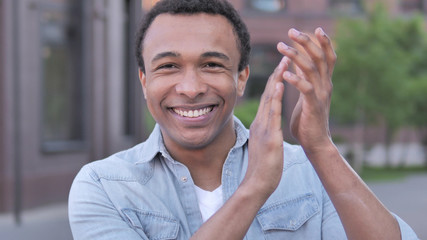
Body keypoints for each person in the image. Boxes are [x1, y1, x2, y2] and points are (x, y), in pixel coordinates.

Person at [68, 0, 419, 239]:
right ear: (144, 81)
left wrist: (319, 146)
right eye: (168, 66)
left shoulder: (307, 170)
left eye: (212, 64)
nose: (190, 88)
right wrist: (255, 187)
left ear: (241, 77)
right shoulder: (104, 186)